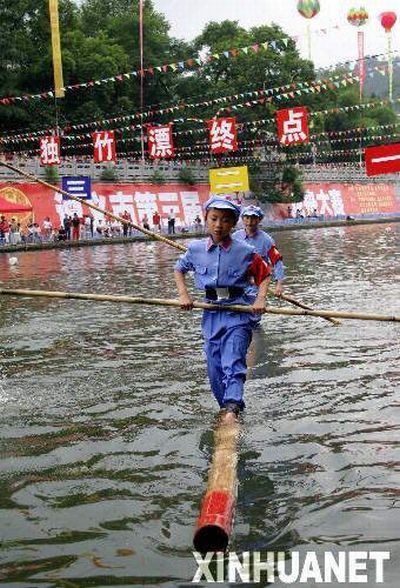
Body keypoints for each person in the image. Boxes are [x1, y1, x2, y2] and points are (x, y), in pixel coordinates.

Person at [174, 196, 270, 424]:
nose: (219, 225)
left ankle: (232, 407)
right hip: (210, 312)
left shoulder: (245, 251)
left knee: (233, 360)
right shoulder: (195, 249)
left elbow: (264, 274)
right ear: (206, 219)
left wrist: (260, 299)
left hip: (238, 312)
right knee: (214, 368)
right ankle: (230, 406)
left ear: (234, 223)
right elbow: (179, 269)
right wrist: (184, 294)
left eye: (225, 220)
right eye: (214, 219)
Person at [233, 205, 285, 297]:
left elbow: (277, 262)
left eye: (253, 218)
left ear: (259, 219)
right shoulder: (235, 237)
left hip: (257, 285)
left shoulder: (267, 240)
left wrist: (279, 284)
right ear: (242, 219)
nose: (249, 222)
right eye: (247, 218)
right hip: (237, 283)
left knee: (254, 308)